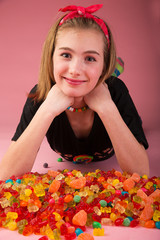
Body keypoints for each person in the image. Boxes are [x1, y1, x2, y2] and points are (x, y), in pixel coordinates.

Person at [0, 4, 149, 180]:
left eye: (90, 58)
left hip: (114, 107)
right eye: (66, 55)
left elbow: (141, 174)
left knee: (136, 125)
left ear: (104, 65)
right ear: (51, 57)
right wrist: (48, 109)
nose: (75, 70)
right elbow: (6, 175)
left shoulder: (115, 91)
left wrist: (107, 107)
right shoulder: (41, 95)